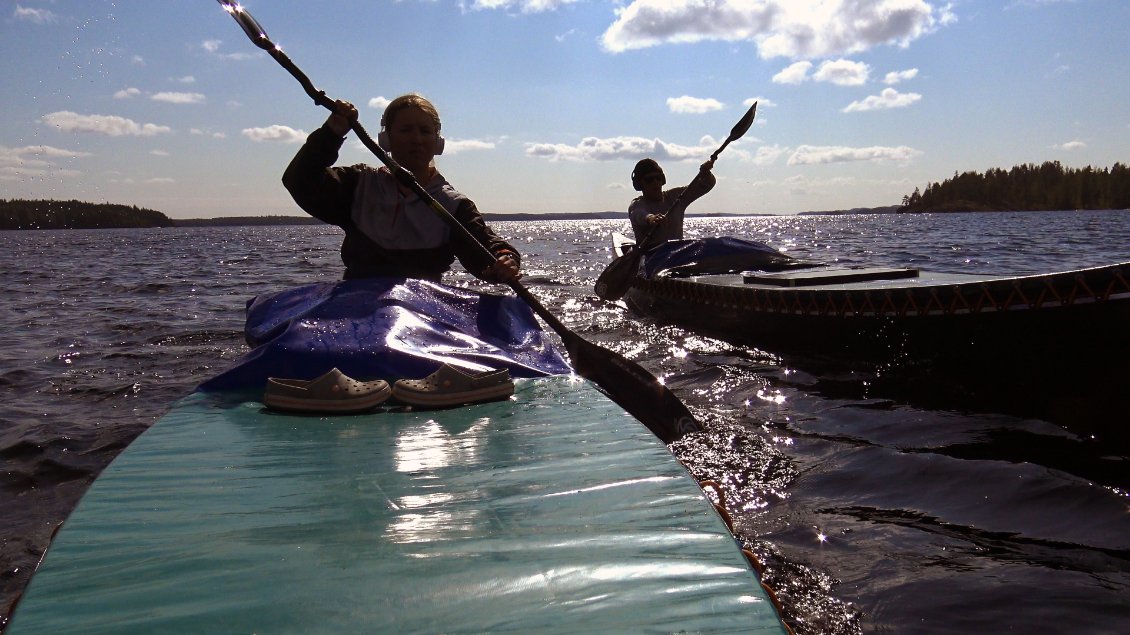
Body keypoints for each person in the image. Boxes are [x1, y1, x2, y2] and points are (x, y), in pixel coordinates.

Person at [283, 93, 520, 283]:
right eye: (405, 130)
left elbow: (487, 249)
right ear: (386, 140)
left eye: (425, 131)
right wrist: (330, 134)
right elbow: (300, 180)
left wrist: (504, 261)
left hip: (422, 313)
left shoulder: (453, 205)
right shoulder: (358, 184)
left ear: (437, 143)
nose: (416, 139)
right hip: (357, 309)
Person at [627, 157, 716, 245]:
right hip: (651, 257)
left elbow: (707, 185)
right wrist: (651, 218)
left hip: (677, 256)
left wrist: (706, 174)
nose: (655, 182)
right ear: (639, 184)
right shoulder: (637, 205)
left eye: (658, 178)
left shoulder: (676, 197)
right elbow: (638, 214)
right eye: (649, 180)